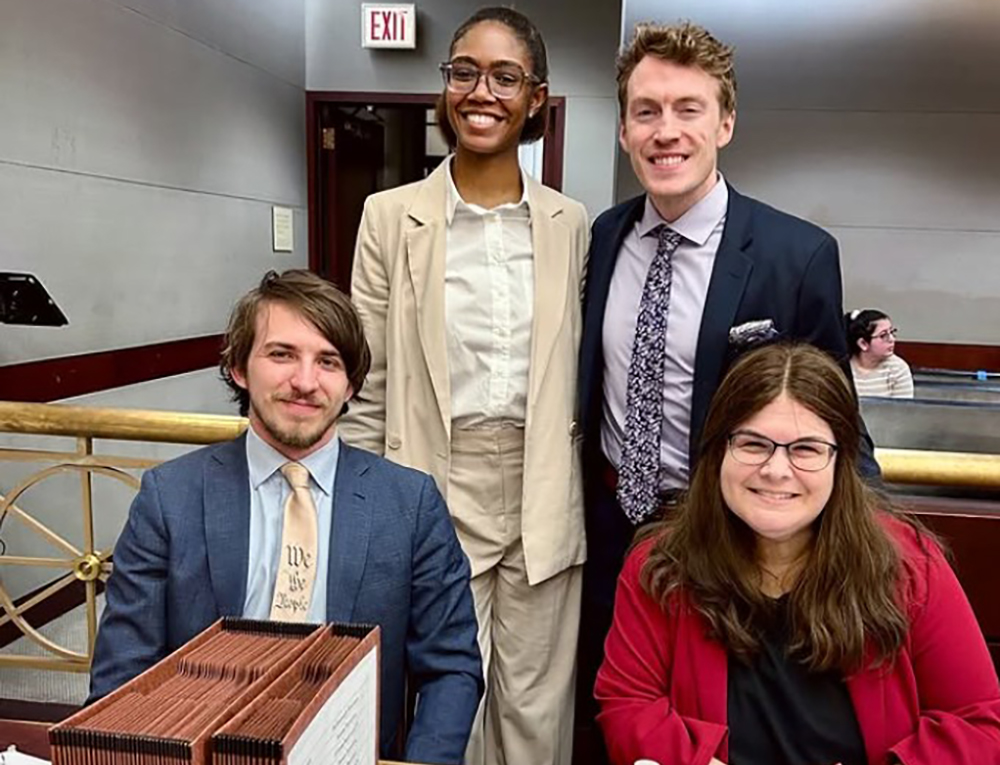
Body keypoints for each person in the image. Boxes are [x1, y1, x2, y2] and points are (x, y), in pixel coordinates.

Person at [576, 21, 878, 745]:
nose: (666, 131)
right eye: (646, 111)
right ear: (622, 129)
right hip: (610, 526)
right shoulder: (603, 237)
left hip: (730, 536)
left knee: (712, 727)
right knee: (609, 718)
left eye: (688, 109)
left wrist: (874, 536)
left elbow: (832, 412)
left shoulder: (796, 253)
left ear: (726, 122)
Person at [89, 270, 483, 765]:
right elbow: (121, 673)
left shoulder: (409, 503)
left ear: (351, 385)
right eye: (281, 355)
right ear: (239, 367)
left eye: (328, 361)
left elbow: (452, 668)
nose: (304, 382)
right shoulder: (170, 496)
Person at [338, 8, 590, 765]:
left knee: (537, 702)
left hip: (544, 477)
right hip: (432, 478)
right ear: (445, 85)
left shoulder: (570, 222)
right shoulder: (390, 216)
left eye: (506, 76)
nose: (483, 91)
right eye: (465, 71)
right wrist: (364, 513)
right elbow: (367, 381)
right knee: (446, 689)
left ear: (535, 97)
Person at [596, 342, 1000, 765]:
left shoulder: (910, 565)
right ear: (718, 451)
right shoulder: (661, 566)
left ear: (840, 461)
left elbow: (976, 722)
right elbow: (629, 704)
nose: (776, 470)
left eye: (805, 449)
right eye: (753, 444)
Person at [846, 308, 914, 398]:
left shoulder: (898, 368)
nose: (892, 339)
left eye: (892, 332)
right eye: (883, 335)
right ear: (863, 343)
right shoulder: (844, 367)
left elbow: (903, 409)